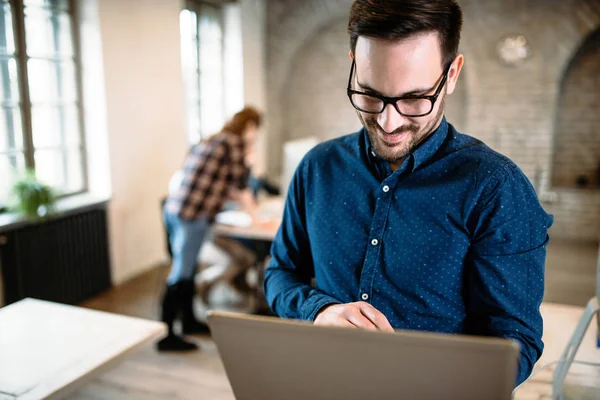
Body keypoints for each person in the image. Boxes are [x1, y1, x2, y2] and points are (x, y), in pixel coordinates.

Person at [264, 0, 553, 386]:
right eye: (370, 94)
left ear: (452, 75)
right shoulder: (318, 167)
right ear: (353, 62)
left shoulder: (496, 187)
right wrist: (318, 311)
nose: (389, 121)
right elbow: (280, 272)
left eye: (414, 99)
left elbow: (515, 343)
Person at [157, 106, 261, 352]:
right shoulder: (233, 143)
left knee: (187, 270)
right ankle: (168, 335)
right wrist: (250, 160)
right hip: (192, 214)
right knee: (181, 273)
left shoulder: (216, 139)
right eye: (255, 129)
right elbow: (242, 184)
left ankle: (189, 322)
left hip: (178, 210)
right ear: (249, 127)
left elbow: (223, 184)